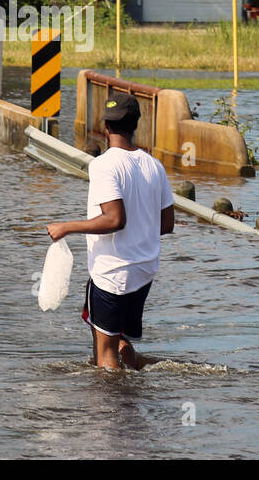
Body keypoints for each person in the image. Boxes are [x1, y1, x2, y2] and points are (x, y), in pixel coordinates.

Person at [46, 93, 174, 370]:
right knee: (121, 340)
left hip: (112, 273)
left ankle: (111, 411)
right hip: (144, 269)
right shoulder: (155, 165)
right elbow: (167, 225)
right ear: (137, 124)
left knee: (104, 356)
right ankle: (132, 396)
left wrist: (66, 227)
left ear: (105, 127)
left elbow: (114, 220)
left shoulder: (103, 165)